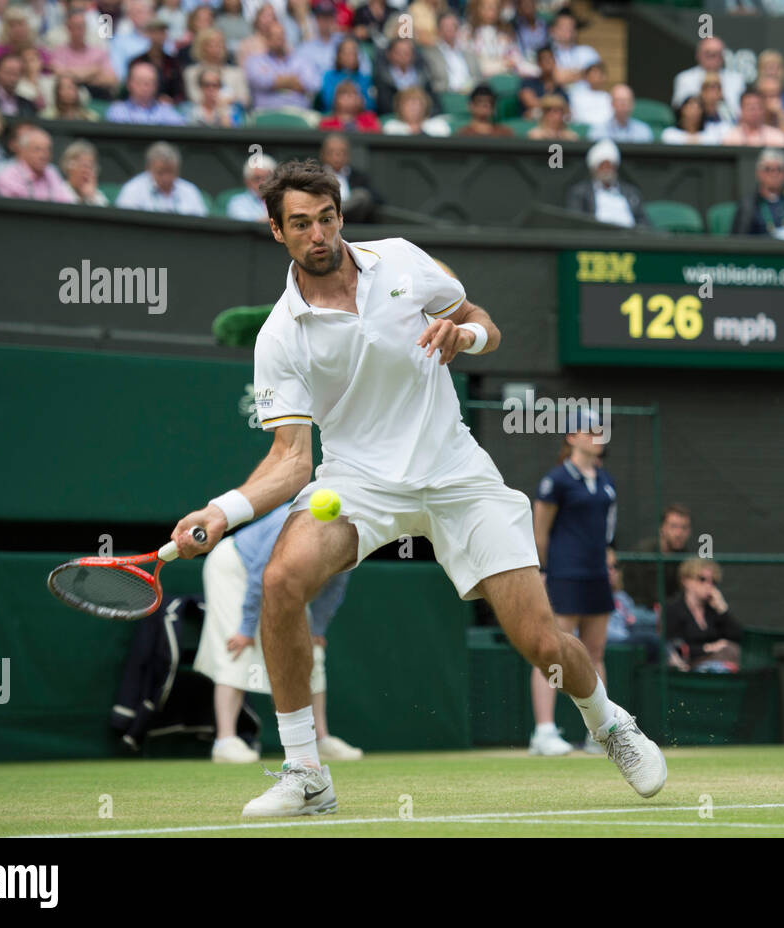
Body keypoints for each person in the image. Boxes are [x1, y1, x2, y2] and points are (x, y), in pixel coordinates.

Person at [166, 159, 667, 815]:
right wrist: (220, 512)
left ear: (340, 216)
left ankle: (609, 724)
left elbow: (485, 320)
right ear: (276, 231)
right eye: (300, 224)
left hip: (456, 471)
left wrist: (466, 334)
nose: (318, 234)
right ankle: (305, 773)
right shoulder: (280, 336)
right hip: (357, 483)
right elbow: (291, 461)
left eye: (326, 218)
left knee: (541, 642)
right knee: (281, 581)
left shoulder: (402, 260)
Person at [196, 503, 363, 764]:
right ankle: (225, 741)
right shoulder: (290, 523)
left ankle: (320, 739)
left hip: (280, 578)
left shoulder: (349, 531)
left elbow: (334, 587)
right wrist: (246, 628)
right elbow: (259, 574)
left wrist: (316, 629)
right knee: (240, 646)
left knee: (311, 652)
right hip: (235, 567)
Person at [529, 413, 616, 756]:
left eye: (600, 430)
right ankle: (544, 732)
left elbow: (607, 532)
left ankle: (603, 731)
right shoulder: (556, 481)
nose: (597, 436)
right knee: (553, 651)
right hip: (564, 575)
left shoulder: (607, 481)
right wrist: (543, 570)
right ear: (571, 436)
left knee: (595, 654)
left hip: (597, 576)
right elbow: (540, 533)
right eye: (590, 430)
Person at [664, 559, 742, 671]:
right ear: (686, 581)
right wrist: (709, 648)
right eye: (702, 579)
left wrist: (722, 609)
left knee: (732, 651)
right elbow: (674, 647)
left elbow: (738, 636)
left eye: (713, 581)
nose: (708, 585)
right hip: (688, 665)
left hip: (718, 660)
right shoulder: (673, 609)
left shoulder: (713, 610)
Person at [564, 139, 648, 228]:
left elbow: (643, 220)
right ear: (594, 169)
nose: (607, 170)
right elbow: (576, 221)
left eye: (610, 166)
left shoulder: (631, 192)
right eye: (603, 166)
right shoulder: (580, 192)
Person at [622, 504, 692, 610]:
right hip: (639, 610)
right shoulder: (644, 553)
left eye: (684, 528)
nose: (679, 533)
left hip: (669, 612)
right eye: (673, 526)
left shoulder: (686, 557)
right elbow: (649, 597)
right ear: (662, 528)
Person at [731, 148, 784, 239]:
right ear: (759, 173)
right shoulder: (748, 206)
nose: (774, 174)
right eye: (768, 169)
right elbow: (739, 243)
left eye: (779, 169)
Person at [115, 140, 208, 215]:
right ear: (148, 168)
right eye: (161, 173)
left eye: (171, 172)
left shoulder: (190, 191)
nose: (166, 178)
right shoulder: (132, 190)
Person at [246, 21, 319, 111]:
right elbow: (260, 81)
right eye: (274, 36)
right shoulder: (255, 61)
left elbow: (313, 84)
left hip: (298, 114)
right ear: (266, 39)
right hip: (266, 115)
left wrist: (276, 83)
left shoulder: (301, 61)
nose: (279, 39)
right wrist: (293, 80)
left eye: (281, 35)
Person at [0, 126, 76, 202]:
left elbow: (67, 201)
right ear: (23, 151)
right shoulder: (7, 178)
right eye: (37, 149)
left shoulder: (51, 171)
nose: (44, 155)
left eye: (47, 150)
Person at [606, 549, 661, 656]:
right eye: (606, 566)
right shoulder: (590, 596)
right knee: (651, 639)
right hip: (610, 643)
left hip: (626, 637)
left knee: (658, 634)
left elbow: (633, 617)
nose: (611, 571)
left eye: (615, 567)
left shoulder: (621, 596)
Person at [319, 133, 381, 223]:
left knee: (361, 195)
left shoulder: (359, 176)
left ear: (348, 155)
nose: (337, 157)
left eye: (341, 153)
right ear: (323, 154)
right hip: (324, 219)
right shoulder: (316, 175)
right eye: (332, 152)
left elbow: (377, 199)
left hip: (353, 220)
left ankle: (335, 212)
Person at [671, 37, 744, 113]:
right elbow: (678, 109)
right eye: (708, 54)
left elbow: (740, 111)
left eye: (717, 54)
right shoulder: (684, 79)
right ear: (698, 55)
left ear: (723, 56)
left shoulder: (737, 80)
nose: (712, 58)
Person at [183, 28, 250, 109]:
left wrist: (230, 100)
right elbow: (195, 98)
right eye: (212, 44)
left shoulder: (236, 73)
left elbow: (245, 100)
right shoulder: (191, 72)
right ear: (202, 47)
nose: (218, 48)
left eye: (220, 43)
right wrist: (219, 100)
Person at [106, 60, 186, 125]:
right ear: (129, 84)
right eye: (140, 82)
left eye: (149, 82)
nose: (145, 87)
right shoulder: (118, 110)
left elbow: (181, 131)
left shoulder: (165, 110)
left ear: (156, 85)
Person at [423, 11, 481, 96]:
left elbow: (478, 77)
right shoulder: (430, 55)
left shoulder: (469, 52)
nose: (450, 29)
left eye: (454, 26)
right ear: (438, 30)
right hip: (446, 96)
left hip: (472, 94)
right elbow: (431, 84)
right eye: (446, 26)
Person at [384, 86, 452, 136]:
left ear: (425, 106)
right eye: (408, 104)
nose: (412, 108)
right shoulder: (391, 127)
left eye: (416, 104)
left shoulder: (439, 126)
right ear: (399, 107)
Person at [227, 153, 276, 222]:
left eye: (267, 178)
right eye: (257, 178)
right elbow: (245, 228)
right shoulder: (238, 202)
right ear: (247, 182)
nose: (263, 183)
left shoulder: (283, 199)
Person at [60, 139, 108, 206]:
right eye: (83, 166)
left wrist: (91, 197)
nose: (87, 172)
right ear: (69, 167)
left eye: (91, 167)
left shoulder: (97, 195)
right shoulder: (58, 190)